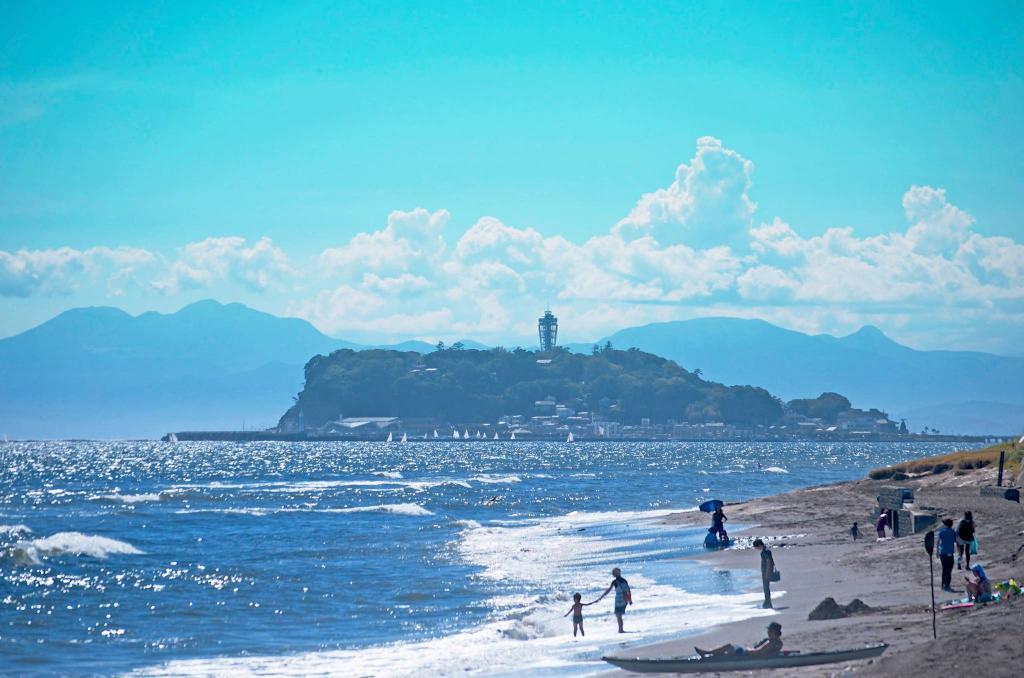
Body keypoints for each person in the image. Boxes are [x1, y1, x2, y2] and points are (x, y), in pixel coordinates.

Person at [695, 621, 783, 659]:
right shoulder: (778, 642)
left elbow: (758, 652)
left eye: (769, 630)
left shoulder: (771, 642)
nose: (767, 631)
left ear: (773, 631)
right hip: (747, 653)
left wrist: (747, 650)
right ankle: (709, 654)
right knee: (727, 649)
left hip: (746, 654)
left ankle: (706, 653)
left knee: (728, 647)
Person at [594, 567, 631, 633]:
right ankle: (621, 629)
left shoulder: (615, 582)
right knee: (619, 615)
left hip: (619, 600)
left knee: (618, 615)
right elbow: (628, 590)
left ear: (615, 574)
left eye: (613, 573)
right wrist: (630, 600)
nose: (612, 574)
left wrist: (601, 597)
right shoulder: (624, 580)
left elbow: (608, 590)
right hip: (625, 600)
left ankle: (620, 630)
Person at [754, 538, 775, 609]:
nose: (756, 549)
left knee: (766, 588)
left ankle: (768, 602)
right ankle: (767, 602)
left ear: (759, 545)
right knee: (766, 588)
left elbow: (769, 561)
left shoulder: (764, 552)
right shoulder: (766, 550)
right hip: (767, 571)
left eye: (756, 547)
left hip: (766, 572)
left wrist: (766, 572)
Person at [937, 518, 957, 592]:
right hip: (949, 553)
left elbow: (938, 541)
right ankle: (947, 585)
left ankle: (943, 585)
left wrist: (937, 551)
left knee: (944, 569)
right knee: (949, 570)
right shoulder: (953, 532)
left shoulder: (941, 532)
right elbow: (956, 541)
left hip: (942, 553)